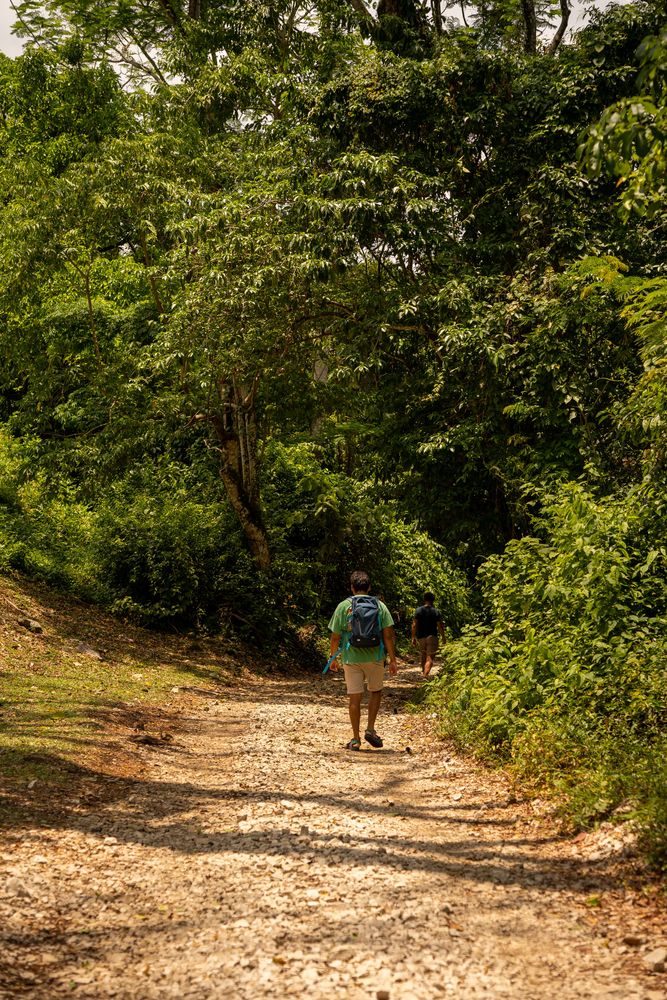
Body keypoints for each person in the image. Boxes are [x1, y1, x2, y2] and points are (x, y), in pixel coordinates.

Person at [328, 570, 397, 751]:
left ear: (352, 587)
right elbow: (388, 635)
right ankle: (370, 729)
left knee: (354, 698)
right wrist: (392, 659)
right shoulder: (380, 606)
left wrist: (333, 658)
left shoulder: (343, 607)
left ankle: (355, 739)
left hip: (351, 658)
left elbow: (335, 636)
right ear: (369, 587)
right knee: (375, 692)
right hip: (375, 657)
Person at [411, 591, 445, 678]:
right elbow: (440, 626)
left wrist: (413, 637)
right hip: (432, 637)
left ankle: (424, 674)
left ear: (424, 599)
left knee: (423, 655)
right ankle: (425, 676)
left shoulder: (418, 610)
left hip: (421, 637)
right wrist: (443, 637)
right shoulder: (436, 611)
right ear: (433, 600)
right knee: (429, 657)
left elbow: (414, 625)